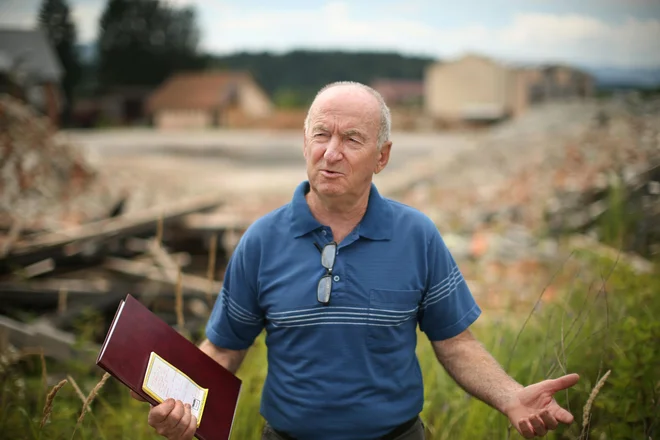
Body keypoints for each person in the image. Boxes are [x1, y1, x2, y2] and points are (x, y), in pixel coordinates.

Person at [132, 81, 580, 440]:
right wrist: (182, 402)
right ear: (304, 142)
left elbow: (456, 343)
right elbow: (226, 347)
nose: (331, 152)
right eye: (321, 134)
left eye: (352, 139)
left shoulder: (416, 236)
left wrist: (511, 397)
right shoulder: (262, 241)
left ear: (382, 156)